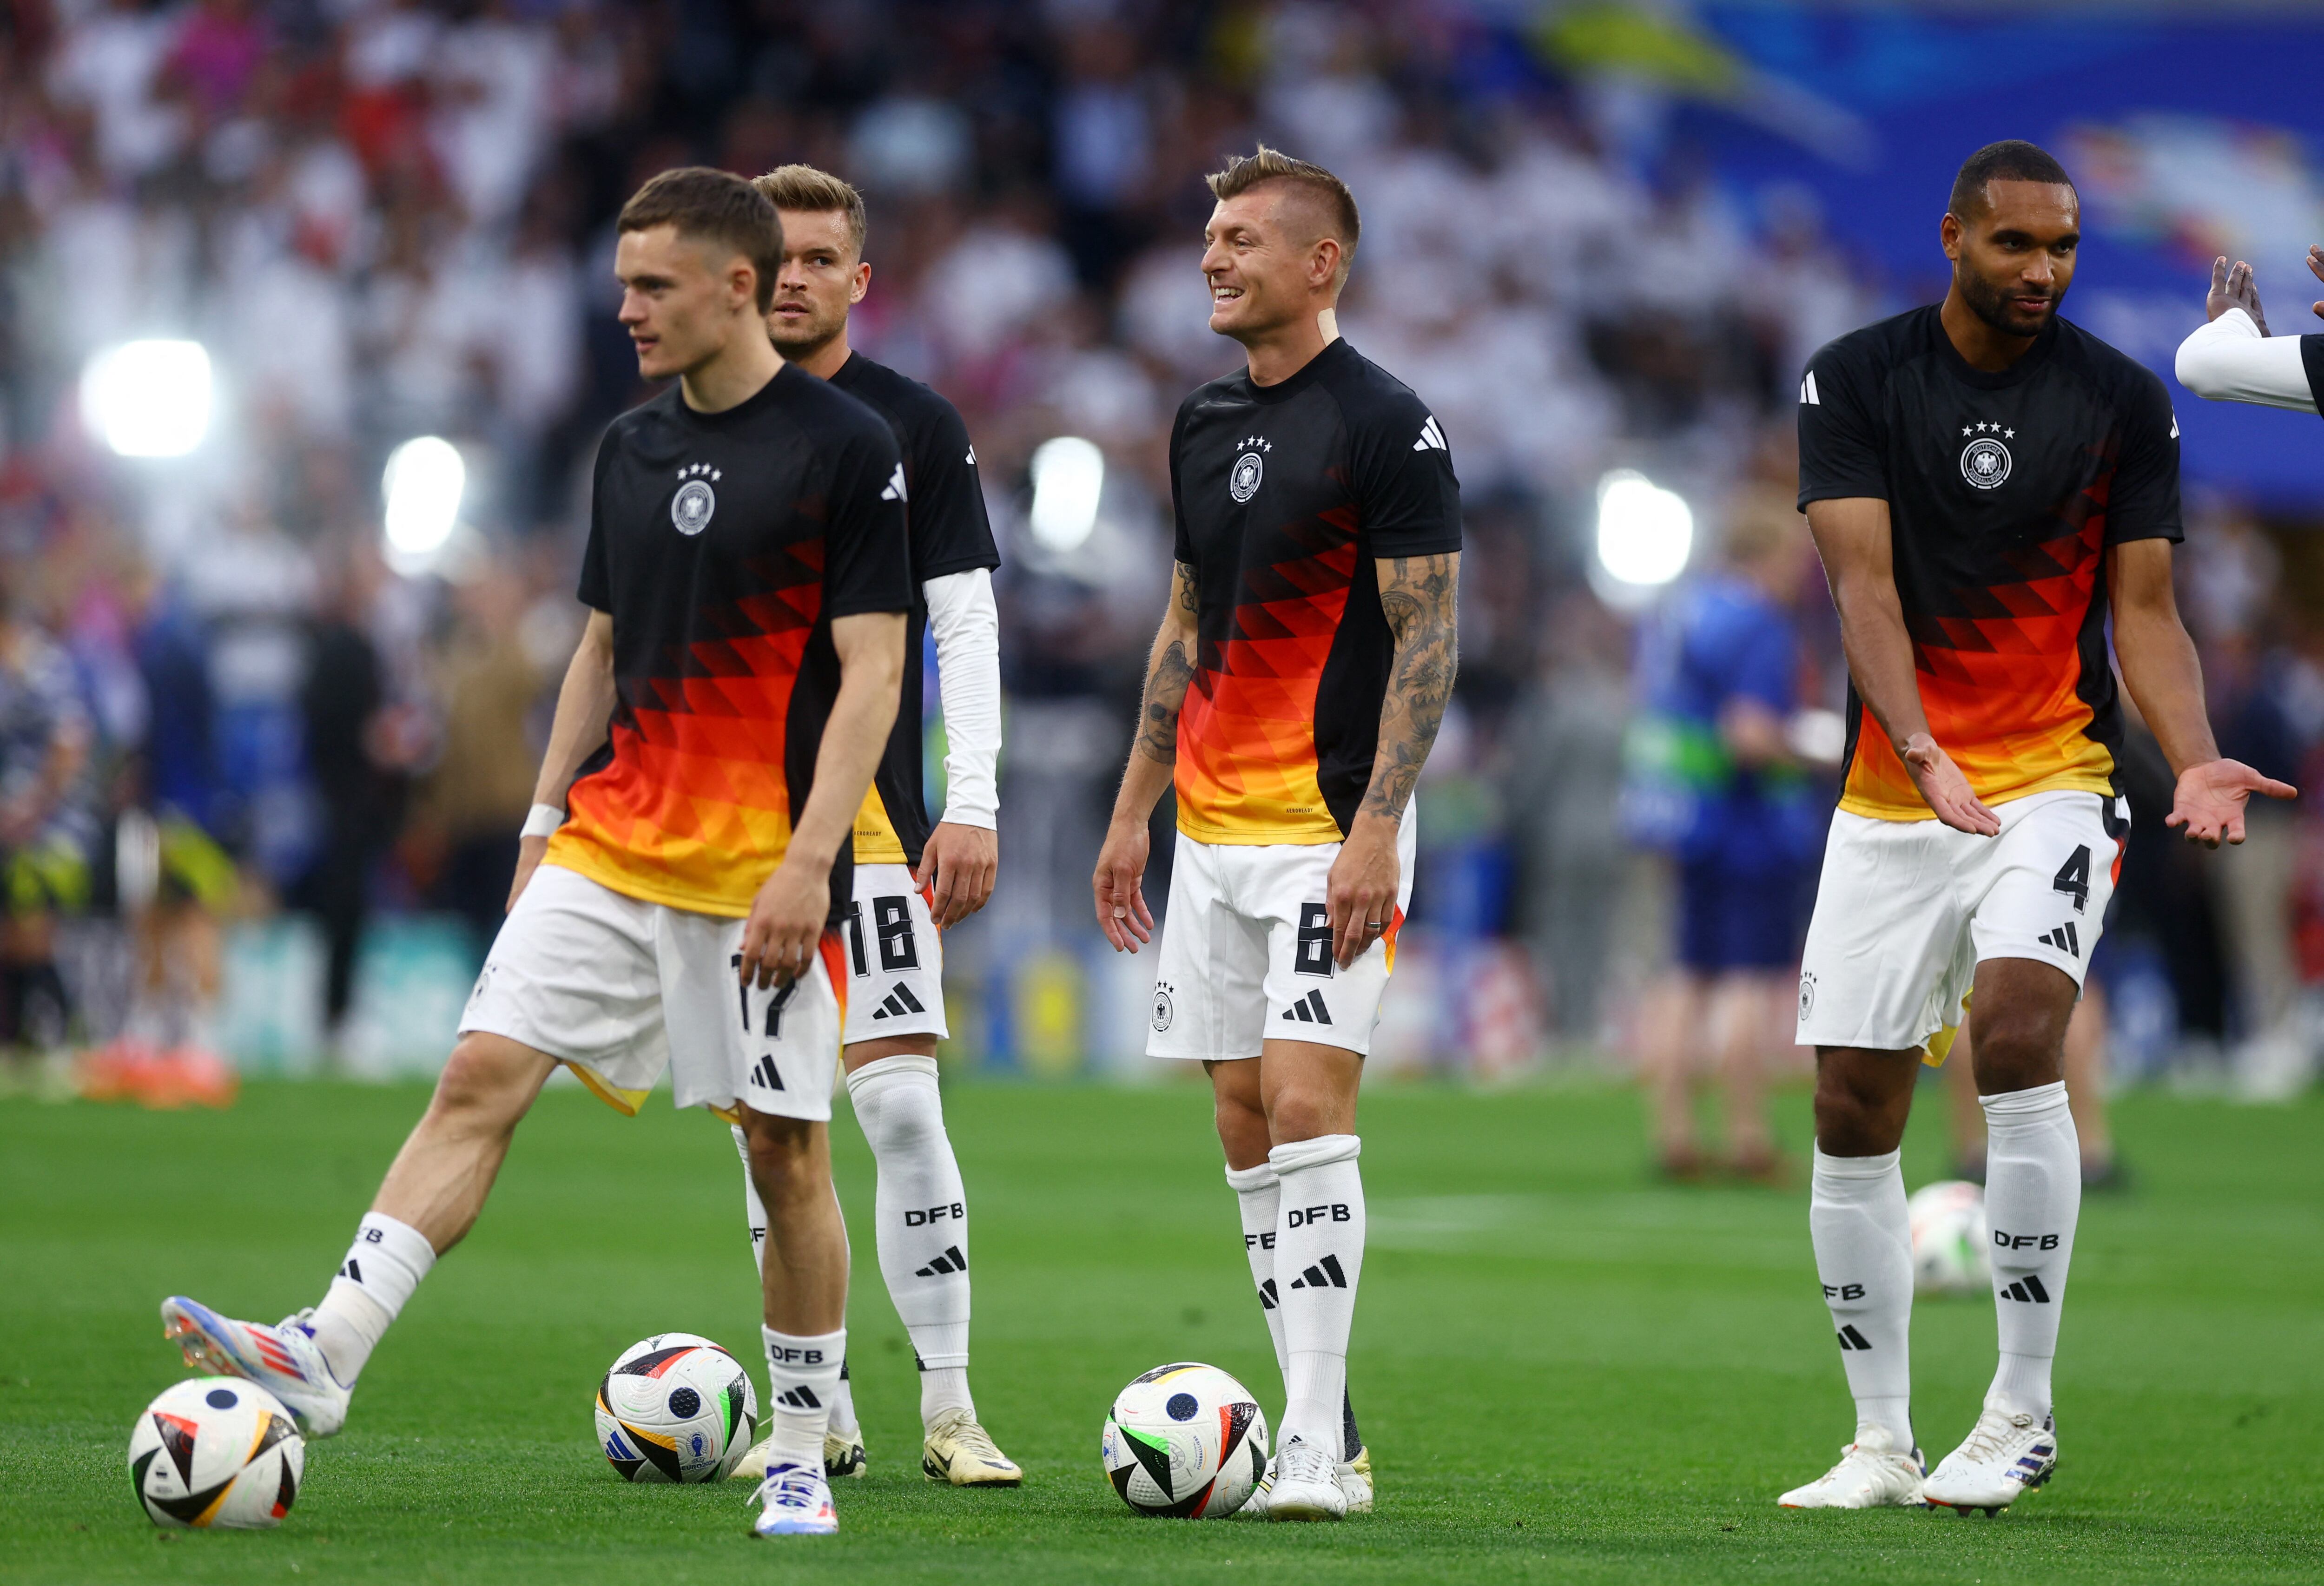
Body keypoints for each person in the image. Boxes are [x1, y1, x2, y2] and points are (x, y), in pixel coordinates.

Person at [159, 168, 914, 1540]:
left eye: (652, 286)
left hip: (762, 868)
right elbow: (604, 648)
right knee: (477, 1073)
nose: (623, 308)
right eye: (622, 283)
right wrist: (544, 817)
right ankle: (328, 1348)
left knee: (788, 1156)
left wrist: (814, 861)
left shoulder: (847, 448)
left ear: (738, 287)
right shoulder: (625, 448)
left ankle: (801, 1441)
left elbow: (874, 674)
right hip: (614, 843)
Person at [1781, 140, 2295, 1514]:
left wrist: (2192, 757)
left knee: (2020, 1030)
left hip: (2059, 775)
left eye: (2063, 248)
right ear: (1954, 236)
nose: (2045, 271)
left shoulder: (2121, 398)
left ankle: (2020, 1408)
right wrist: (1925, 749)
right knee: (1850, 1105)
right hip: (1898, 788)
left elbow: (2143, 612)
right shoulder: (1854, 377)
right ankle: (1880, 1439)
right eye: (2017, 246)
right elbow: (1863, 591)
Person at [1091, 146, 1461, 1522]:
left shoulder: (1390, 423)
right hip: (1212, 827)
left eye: (1243, 237)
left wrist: (1376, 828)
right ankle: (1332, 1417)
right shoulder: (1195, 423)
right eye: (1209, 236)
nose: (1212, 256)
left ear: (1323, 263)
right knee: (1243, 1118)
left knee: (1309, 1104)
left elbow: (1430, 632)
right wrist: (1135, 808)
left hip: (1327, 826)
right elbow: (1189, 618)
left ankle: (1310, 1445)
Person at [726, 163, 1016, 1488]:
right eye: (770, 256)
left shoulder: (915, 424)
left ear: (859, 278)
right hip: (728, 826)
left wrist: (974, 797)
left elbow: (960, 617)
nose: (792, 277)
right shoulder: (691, 422)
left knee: (897, 1097)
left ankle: (949, 1406)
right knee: (770, 1119)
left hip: (879, 825)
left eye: (816, 258)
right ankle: (818, 1403)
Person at [1630, 489, 1819, 1182]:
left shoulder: (1680, 613)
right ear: (1766, 555)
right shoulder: (1761, 625)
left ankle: (1674, 1130)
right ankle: (1746, 1135)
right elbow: (1749, 734)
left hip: (1682, 813)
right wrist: (1819, 748)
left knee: (1685, 974)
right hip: (1748, 823)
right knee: (1746, 979)